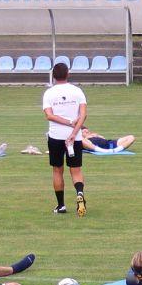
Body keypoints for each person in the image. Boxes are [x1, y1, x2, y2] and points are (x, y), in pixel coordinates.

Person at [43, 60, 89, 215]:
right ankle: (80, 194)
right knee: (76, 170)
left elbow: (49, 116)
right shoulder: (77, 91)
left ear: (53, 76)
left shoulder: (49, 93)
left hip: (56, 136)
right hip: (74, 138)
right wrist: (74, 132)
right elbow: (83, 115)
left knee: (57, 170)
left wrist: (67, 123)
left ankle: (61, 205)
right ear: (68, 74)